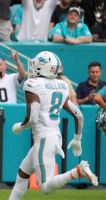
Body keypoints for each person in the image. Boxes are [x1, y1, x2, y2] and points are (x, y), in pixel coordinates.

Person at [9, 51, 98, 200]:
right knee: (22, 175)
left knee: (45, 187)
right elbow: (78, 114)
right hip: (54, 136)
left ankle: (78, 171)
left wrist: (20, 126)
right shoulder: (61, 84)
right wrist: (77, 138)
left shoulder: (33, 84)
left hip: (43, 138)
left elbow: (32, 118)